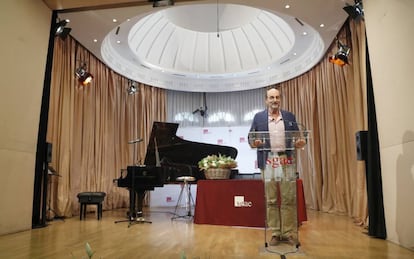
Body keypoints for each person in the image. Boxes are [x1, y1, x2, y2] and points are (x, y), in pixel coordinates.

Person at [248, 86, 306, 246]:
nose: (275, 100)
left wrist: (300, 142)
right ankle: (275, 232)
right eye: (271, 97)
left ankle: (287, 233)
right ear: (266, 100)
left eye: (277, 97)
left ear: (280, 99)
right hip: (268, 162)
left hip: (286, 160)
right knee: (272, 199)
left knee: (288, 198)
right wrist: (255, 142)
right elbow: (251, 138)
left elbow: (297, 137)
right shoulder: (258, 117)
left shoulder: (289, 116)